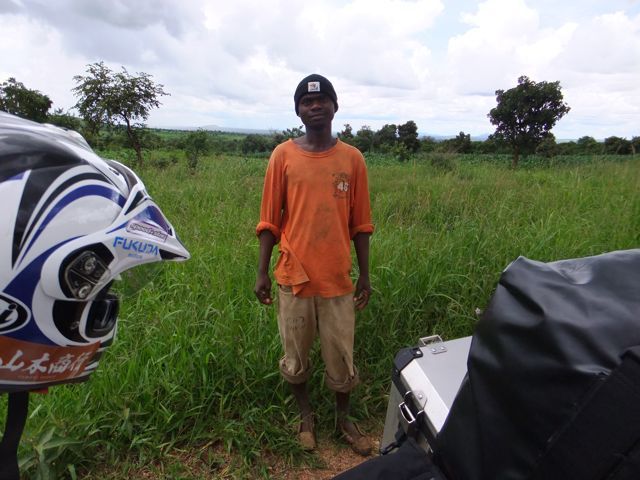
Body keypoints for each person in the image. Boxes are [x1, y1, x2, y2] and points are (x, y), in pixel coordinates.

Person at [254, 74, 374, 456]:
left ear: (335, 107)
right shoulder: (283, 156)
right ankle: (306, 416)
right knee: (296, 355)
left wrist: (365, 274)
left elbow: (361, 224)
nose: (316, 105)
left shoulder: (352, 159)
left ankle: (343, 420)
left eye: (323, 99)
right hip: (294, 278)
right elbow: (269, 220)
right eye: (307, 102)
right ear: (298, 111)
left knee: (341, 357)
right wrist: (261, 271)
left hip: (337, 278)